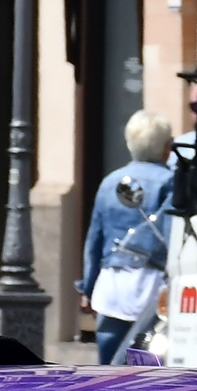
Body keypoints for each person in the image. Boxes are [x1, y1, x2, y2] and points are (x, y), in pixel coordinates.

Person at [79, 111, 174, 364]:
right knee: (146, 371)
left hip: (111, 287)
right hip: (151, 286)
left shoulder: (109, 182)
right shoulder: (172, 182)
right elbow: (171, 236)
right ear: (166, 147)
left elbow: (94, 242)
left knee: (107, 371)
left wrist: (87, 287)